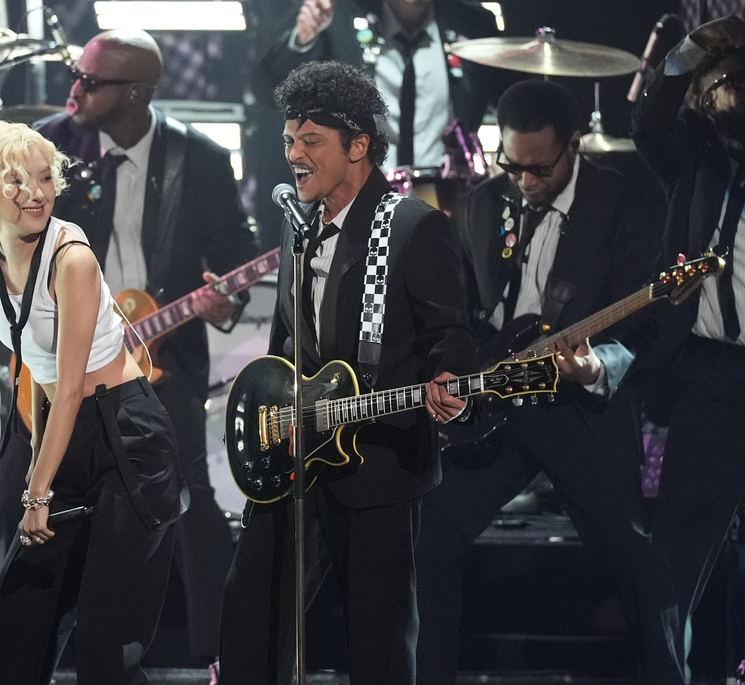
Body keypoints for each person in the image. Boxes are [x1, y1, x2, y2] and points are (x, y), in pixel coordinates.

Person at [413, 78, 684, 684]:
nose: (525, 181)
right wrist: (451, 369)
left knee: (636, 559)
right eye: (512, 165)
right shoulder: (482, 204)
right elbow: (459, 314)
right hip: (496, 411)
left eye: (539, 168)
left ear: (574, 145)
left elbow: (651, 327)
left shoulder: (628, 207)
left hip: (579, 409)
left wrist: (596, 366)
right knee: (430, 534)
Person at [218, 60, 478, 684]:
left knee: (378, 642)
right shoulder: (297, 224)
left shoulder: (414, 227)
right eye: (288, 141)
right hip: (296, 456)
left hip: (380, 465)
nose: (294, 155)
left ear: (358, 145)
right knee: (250, 615)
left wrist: (451, 386)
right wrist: (272, 412)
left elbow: (455, 336)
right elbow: (287, 339)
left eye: (311, 141)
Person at [0, 119, 184, 685]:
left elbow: (74, 385)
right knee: (13, 624)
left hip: (126, 437)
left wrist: (37, 493)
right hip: (61, 426)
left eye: (44, 177)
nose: (36, 193)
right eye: (14, 181)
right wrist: (34, 466)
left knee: (106, 641)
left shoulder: (71, 259)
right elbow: (35, 360)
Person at [32, 28, 259, 680]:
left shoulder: (200, 158)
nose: (74, 89)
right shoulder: (50, 146)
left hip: (160, 355)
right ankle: (22, 649)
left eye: (90, 81)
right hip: (65, 359)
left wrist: (226, 300)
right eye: (76, 75)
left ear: (136, 94)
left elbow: (238, 259)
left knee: (189, 495)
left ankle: (219, 650)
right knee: (17, 492)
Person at [632, 9, 745, 680]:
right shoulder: (698, 160)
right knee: (674, 558)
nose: (730, 97)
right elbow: (649, 123)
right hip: (715, 378)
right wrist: (691, 52)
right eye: (723, 87)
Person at [252, 0, 500, 169]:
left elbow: (513, 104)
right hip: (358, 193)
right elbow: (271, 90)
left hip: (447, 193)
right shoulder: (339, 18)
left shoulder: (473, 23)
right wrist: (303, 39)